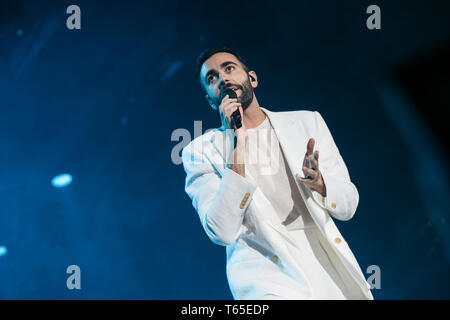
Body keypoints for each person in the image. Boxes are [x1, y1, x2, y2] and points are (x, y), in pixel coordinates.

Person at [181, 47, 374, 300]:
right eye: (212, 78)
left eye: (229, 68)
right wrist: (236, 141)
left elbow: (348, 205)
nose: (223, 78)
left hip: (326, 266)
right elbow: (222, 231)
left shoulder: (307, 122)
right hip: (267, 276)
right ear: (210, 99)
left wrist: (321, 185)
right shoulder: (199, 152)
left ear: (252, 78)